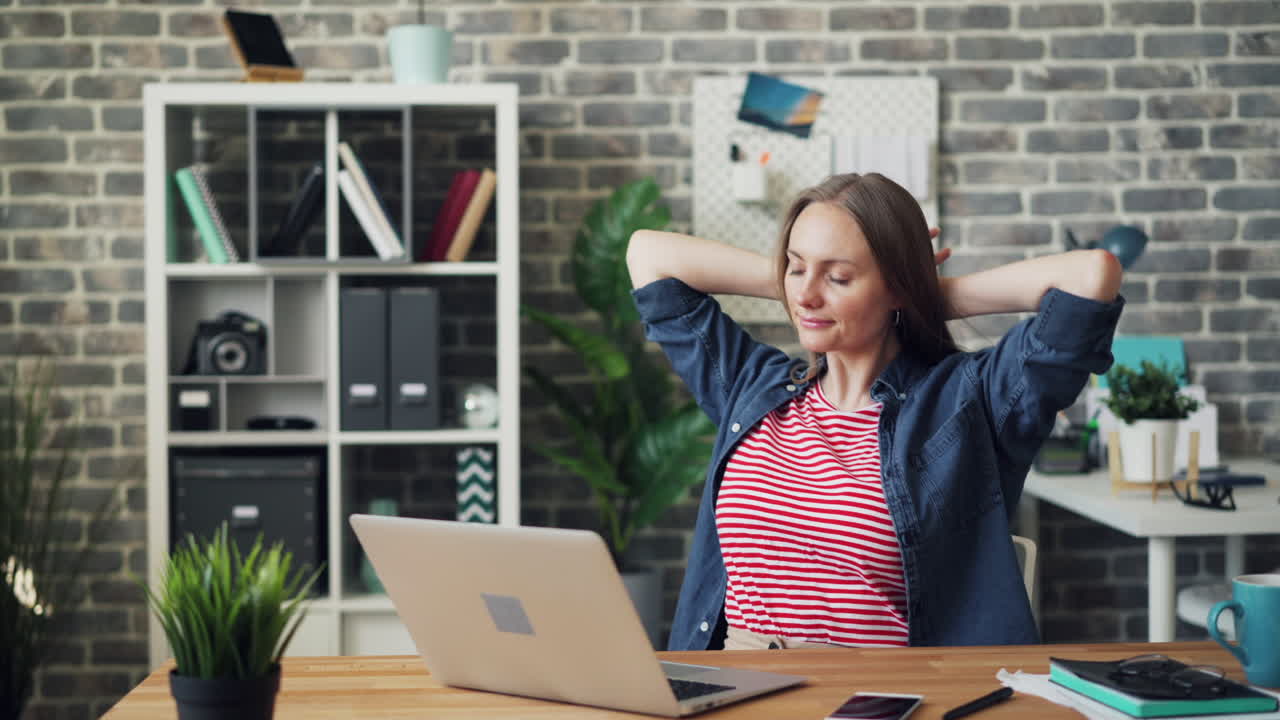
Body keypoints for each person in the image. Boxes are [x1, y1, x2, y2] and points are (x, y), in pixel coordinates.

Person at [626, 172, 1124, 651]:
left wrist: (925, 294)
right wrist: (807, 278)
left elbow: (1091, 277)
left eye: (839, 276)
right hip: (738, 684)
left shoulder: (966, 404)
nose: (805, 294)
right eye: (796, 267)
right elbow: (647, 255)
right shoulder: (753, 386)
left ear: (896, 287)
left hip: (876, 695)